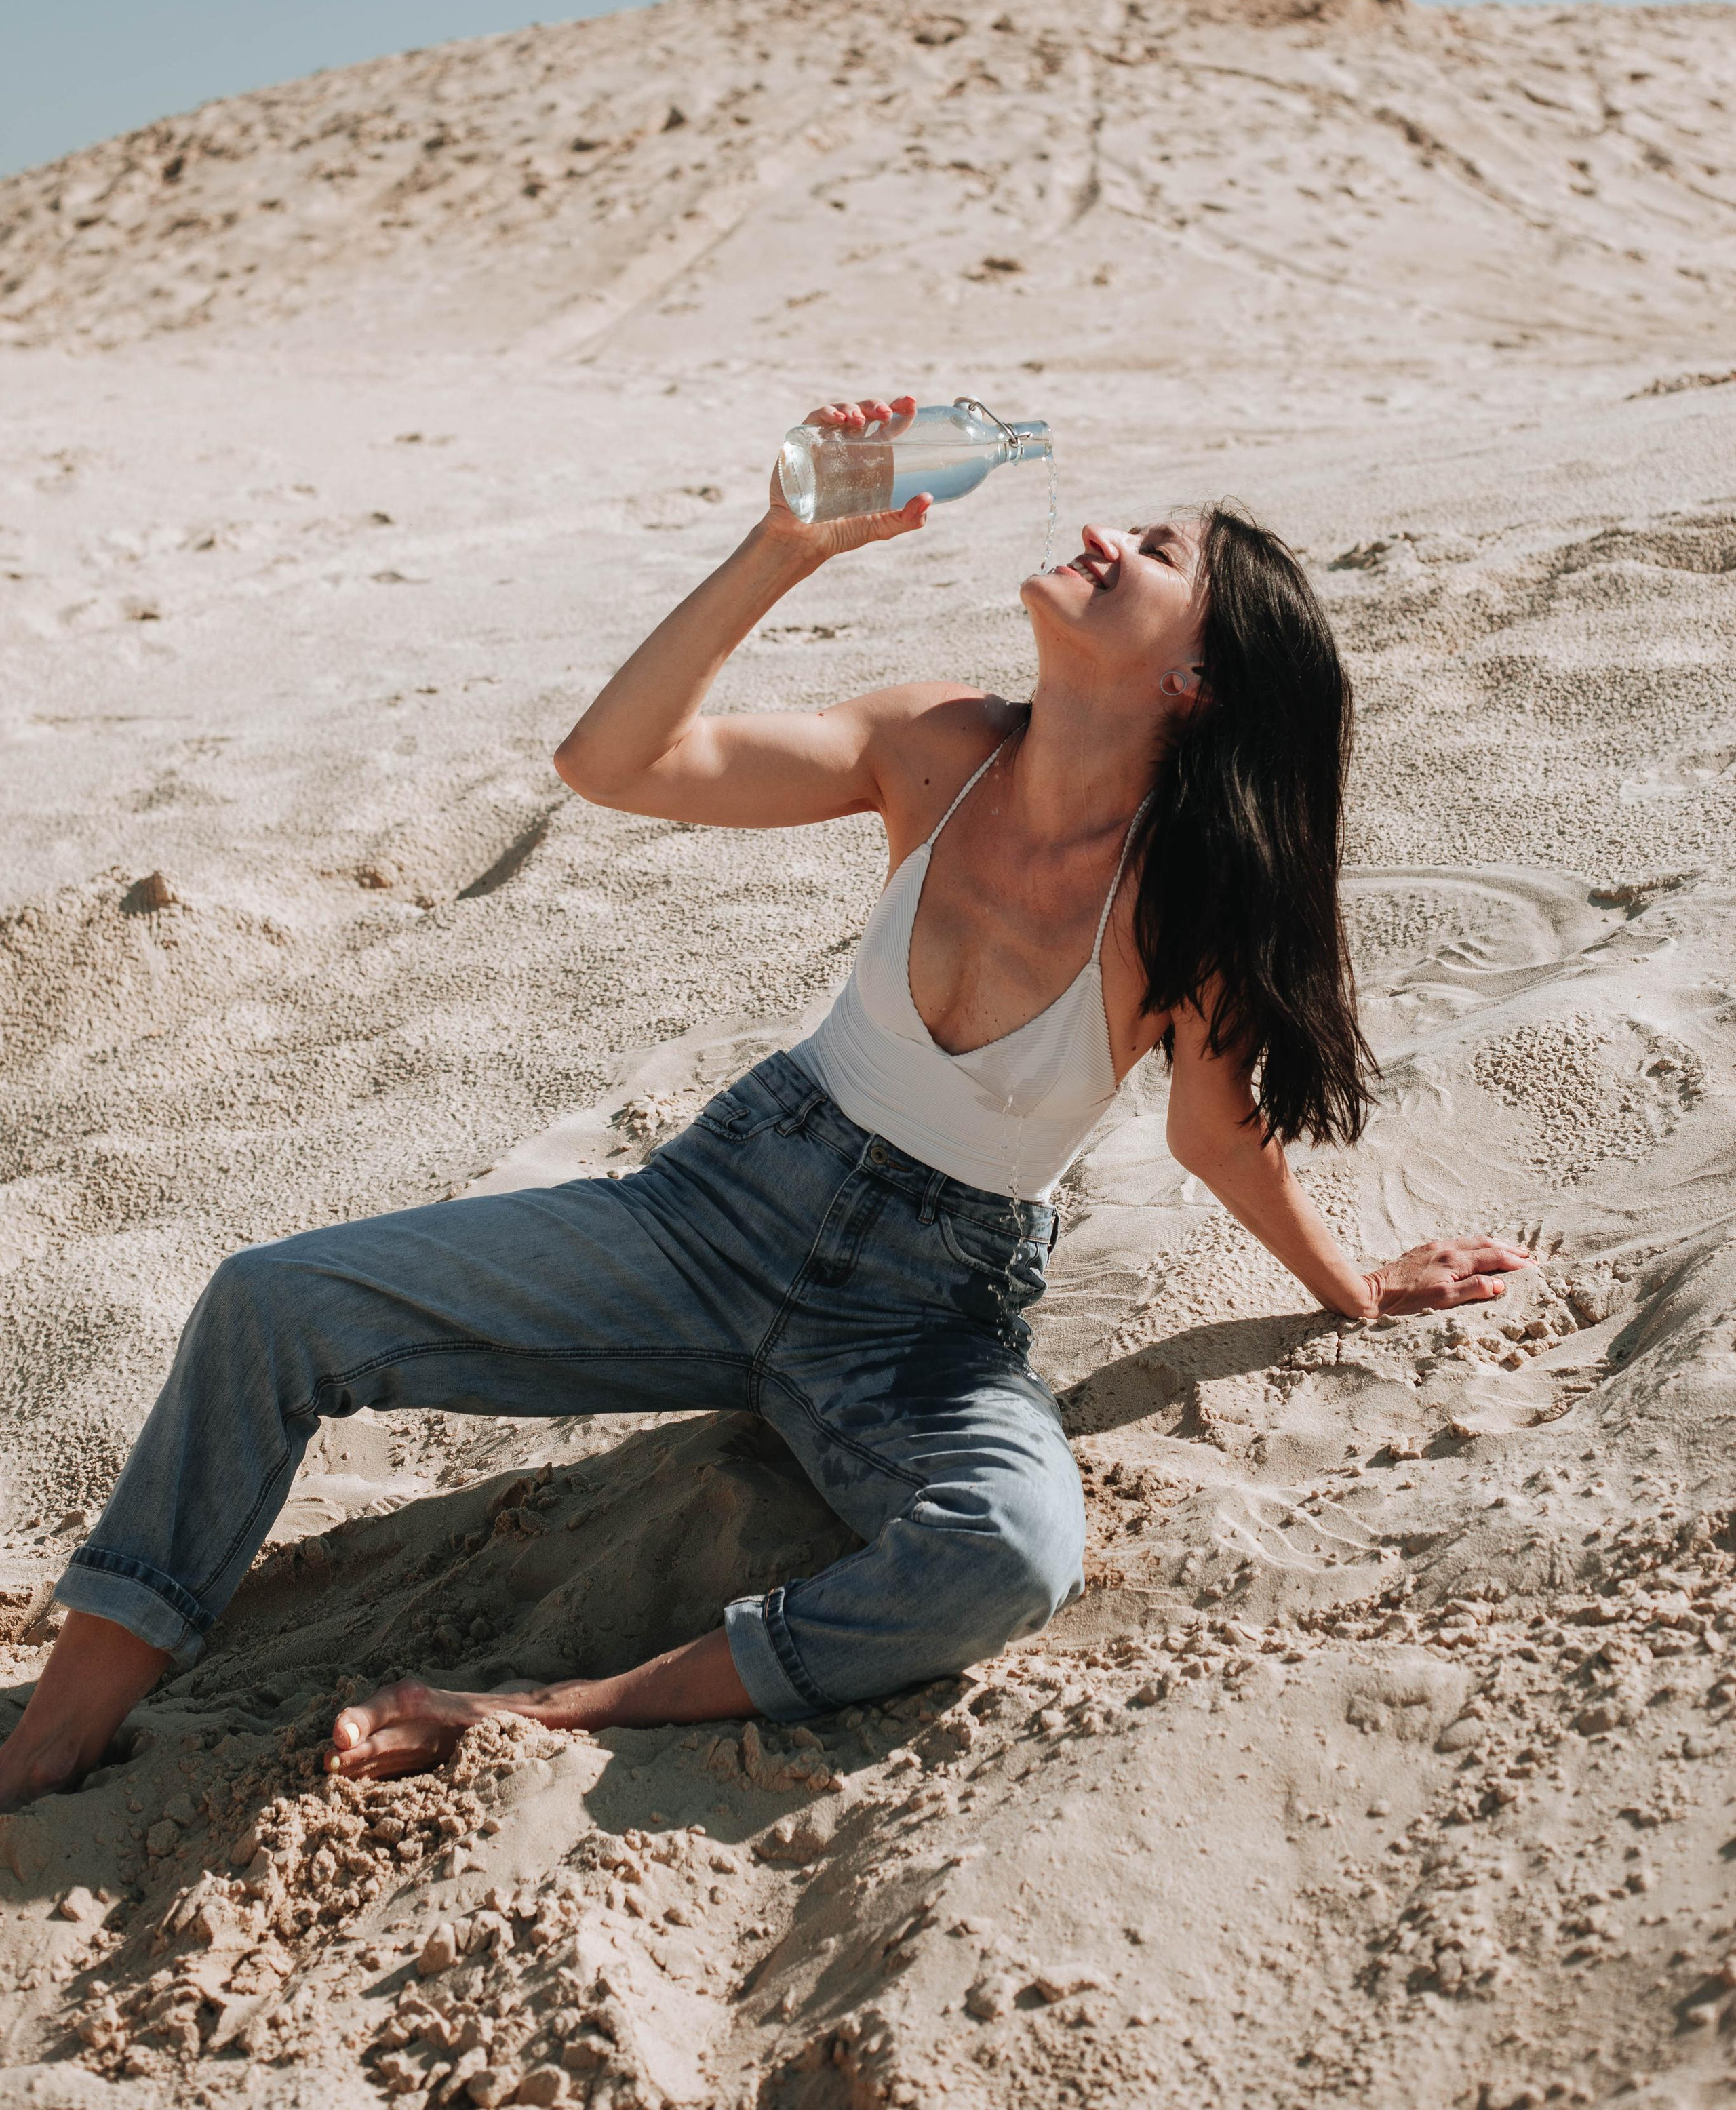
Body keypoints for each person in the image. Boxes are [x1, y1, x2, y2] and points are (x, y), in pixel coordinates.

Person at [0, 395, 1526, 1809]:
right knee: (274, 1304)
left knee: (1007, 1548)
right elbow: (617, 763)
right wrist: (782, 544)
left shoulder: (1182, 909)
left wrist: (1354, 1289)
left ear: (1193, 681)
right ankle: (70, 1710)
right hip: (713, 1215)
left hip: (916, 1326)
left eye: (1156, 554)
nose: (1106, 537)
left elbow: (1216, 1139)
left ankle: (557, 1710)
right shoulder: (933, 749)